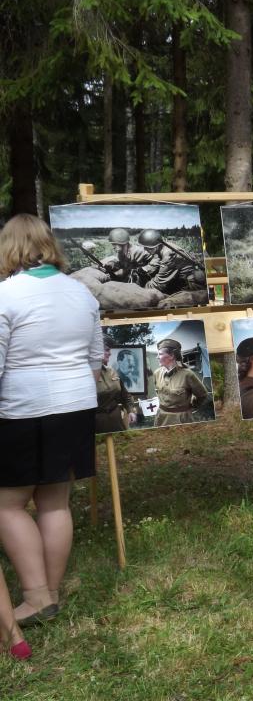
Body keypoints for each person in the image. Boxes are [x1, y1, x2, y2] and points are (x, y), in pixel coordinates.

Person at [0, 213, 103, 628]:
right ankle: (52, 593)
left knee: (6, 505)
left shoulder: (5, 295)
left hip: (24, 409)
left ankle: (36, 596)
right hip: (77, 404)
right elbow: (96, 358)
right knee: (54, 501)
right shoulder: (82, 294)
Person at [153, 338, 208, 427]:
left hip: (181, 420)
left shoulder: (187, 375)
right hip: (161, 419)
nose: (157, 357)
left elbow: (202, 395)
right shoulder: (157, 373)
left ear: (171, 356)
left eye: (160, 354)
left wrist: (191, 407)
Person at [138, 229, 203, 295]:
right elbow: (156, 261)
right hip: (179, 278)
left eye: (147, 248)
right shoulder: (162, 247)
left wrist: (140, 289)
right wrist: (143, 269)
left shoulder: (168, 254)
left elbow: (159, 284)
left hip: (190, 284)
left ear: (155, 246)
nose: (145, 250)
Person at [96, 337, 139, 433]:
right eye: (107, 350)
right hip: (97, 423)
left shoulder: (111, 371)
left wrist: (130, 411)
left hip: (116, 421)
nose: (110, 353)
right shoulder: (85, 375)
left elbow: (125, 395)